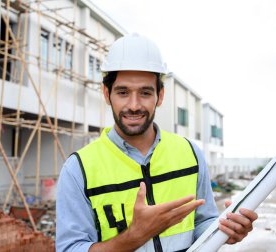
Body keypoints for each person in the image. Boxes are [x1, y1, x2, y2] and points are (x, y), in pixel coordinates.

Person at [56, 33, 258, 252]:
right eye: (123, 92)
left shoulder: (189, 153)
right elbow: (70, 248)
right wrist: (134, 237)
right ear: (107, 94)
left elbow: (202, 223)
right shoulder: (79, 169)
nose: (134, 105)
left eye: (145, 92)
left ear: (160, 96)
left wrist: (225, 230)